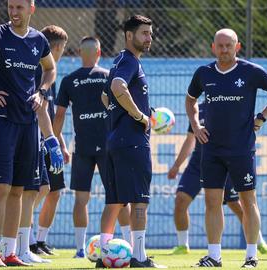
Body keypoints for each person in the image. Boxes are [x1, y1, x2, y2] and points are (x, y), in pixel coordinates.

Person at [0, 0, 63, 266]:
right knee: (2, 188)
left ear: (31, 9)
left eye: (19, 7)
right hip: (0, 121)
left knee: (19, 189)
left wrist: (41, 91)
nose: (14, 12)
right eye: (11, 7)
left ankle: (10, 252)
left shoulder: (38, 40)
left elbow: (51, 68)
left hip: (28, 123)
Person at [185, 28, 267, 268]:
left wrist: (261, 117)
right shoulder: (203, 73)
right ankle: (214, 256)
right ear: (213, 47)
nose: (223, 50)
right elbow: (190, 100)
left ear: (237, 47)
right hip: (211, 149)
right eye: (219, 45)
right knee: (212, 202)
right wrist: (195, 125)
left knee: (248, 201)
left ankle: (251, 257)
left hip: (241, 149)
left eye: (228, 45)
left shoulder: (250, 71)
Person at [96, 14, 165, 268]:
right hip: (132, 141)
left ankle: (105, 257)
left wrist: (137, 110)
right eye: (144, 33)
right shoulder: (129, 62)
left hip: (115, 140)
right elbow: (116, 87)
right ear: (129, 36)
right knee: (139, 199)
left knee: (115, 200)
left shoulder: (119, 61)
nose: (149, 37)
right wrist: (139, 116)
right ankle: (139, 257)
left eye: (150, 32)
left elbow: (106, 98)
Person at [54, 36, 131, 259]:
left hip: (83, 148)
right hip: (110, 147)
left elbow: (59, 115)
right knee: (119, 197)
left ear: (80, 52)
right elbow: (124, 108)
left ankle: (80, 249)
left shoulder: (69, 80)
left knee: (81, 198)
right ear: (99, 53)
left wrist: (57, 141)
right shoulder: (110, 76)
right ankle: (127, 244)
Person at [168, 102, 267, 256]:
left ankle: (259, 243)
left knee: (236, 204)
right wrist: (176, 165)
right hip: (198, 164)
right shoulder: (197, 109)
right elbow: (190, 139)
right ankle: (182, 245)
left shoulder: (228, 105)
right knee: (180, 200)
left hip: (221, 162)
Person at [17, 25, 68, 264]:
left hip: (41, 137)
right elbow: (43, 110)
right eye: (62, 49)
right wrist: (52, 141)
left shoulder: (49, 73)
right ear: (55, 47)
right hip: (30, 135)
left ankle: (23, 241)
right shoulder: (40, 70)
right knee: (28, 191)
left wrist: (56, 142)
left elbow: (48, 110)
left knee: (43, 189)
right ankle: (19, 241)